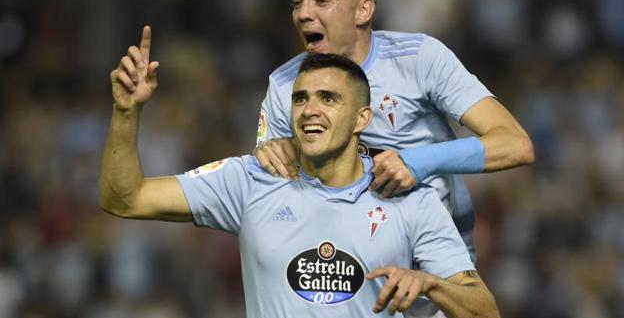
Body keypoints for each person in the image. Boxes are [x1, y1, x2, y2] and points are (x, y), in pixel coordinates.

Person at [100, 32, 501, 318]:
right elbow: (125, 198)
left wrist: (430, 284)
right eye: (300, 98)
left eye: (328, 98)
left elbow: (483, 310)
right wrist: (125, 112)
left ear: (363, 117)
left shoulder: (410, 198)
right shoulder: (250, 180)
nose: (310, 109)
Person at [255, 0, 534, 262]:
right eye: (297, 2)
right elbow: (273, 198)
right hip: (345, 273)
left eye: (321, 0)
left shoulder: (419, 58)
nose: (303, 13)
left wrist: (417, 162)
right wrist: (268, 154)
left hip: (437, 273)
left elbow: (515, 144)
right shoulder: (282, 85)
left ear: (363, 11)